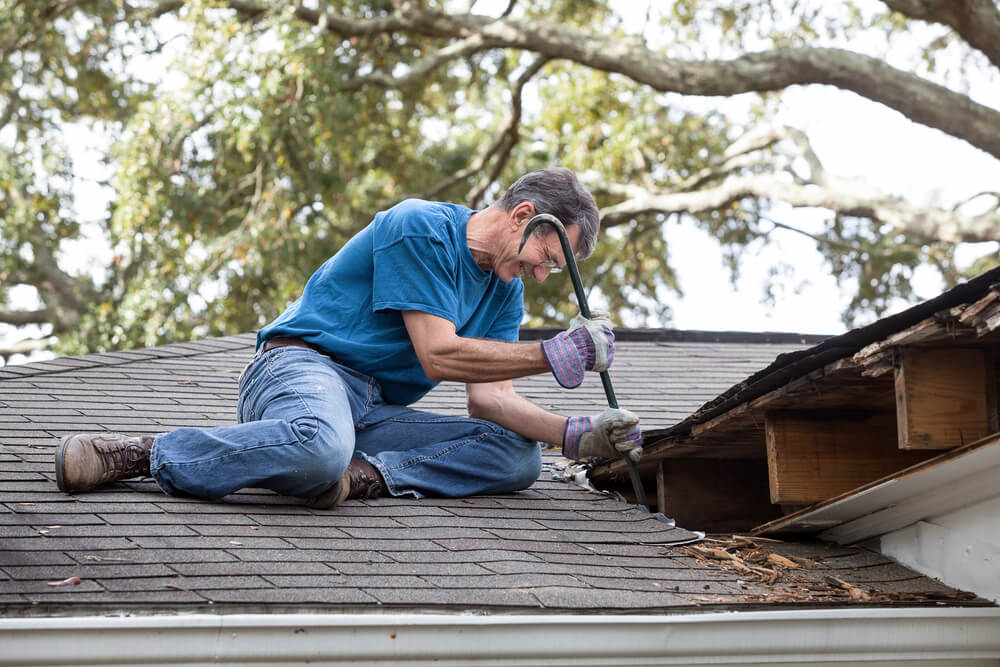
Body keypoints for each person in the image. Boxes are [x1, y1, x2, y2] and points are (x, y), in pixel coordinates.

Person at [55, 168, 643, 508]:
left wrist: (578, 435)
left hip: (369, 411)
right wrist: (556, 355)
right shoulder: (421, 227)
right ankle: (145, 454)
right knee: (318, 443)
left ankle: (356, 479)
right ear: (523, 216)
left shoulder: (504, 291)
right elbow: (437, 355)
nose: (542, 276)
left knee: (516, 456)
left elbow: (493, 400)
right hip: (301, 369)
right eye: (545, 257)